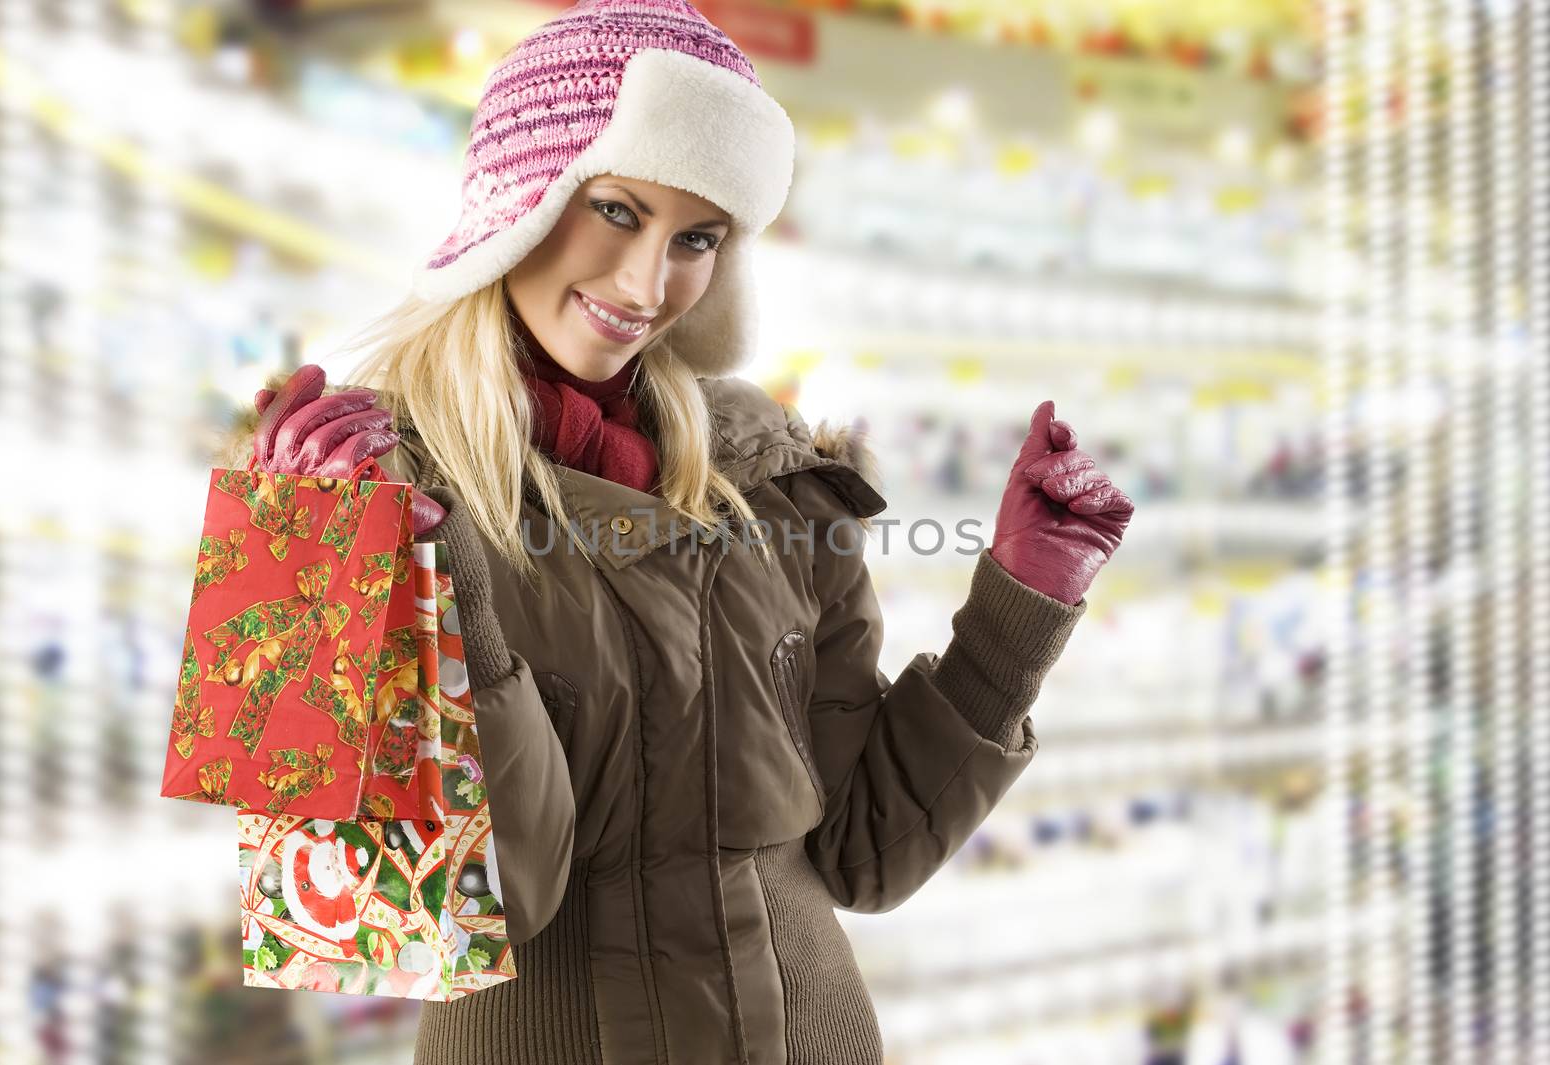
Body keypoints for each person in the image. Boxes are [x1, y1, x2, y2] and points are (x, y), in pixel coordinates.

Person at [217, 1, 1134, 1061]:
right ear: (525, 195)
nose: (648, 286)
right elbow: (412, 924)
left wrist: (1020, 609)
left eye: (695, 239)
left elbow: (864, 854)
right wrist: (351, 594)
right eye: (616, 210)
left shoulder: (779, 479)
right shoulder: (343, 481)